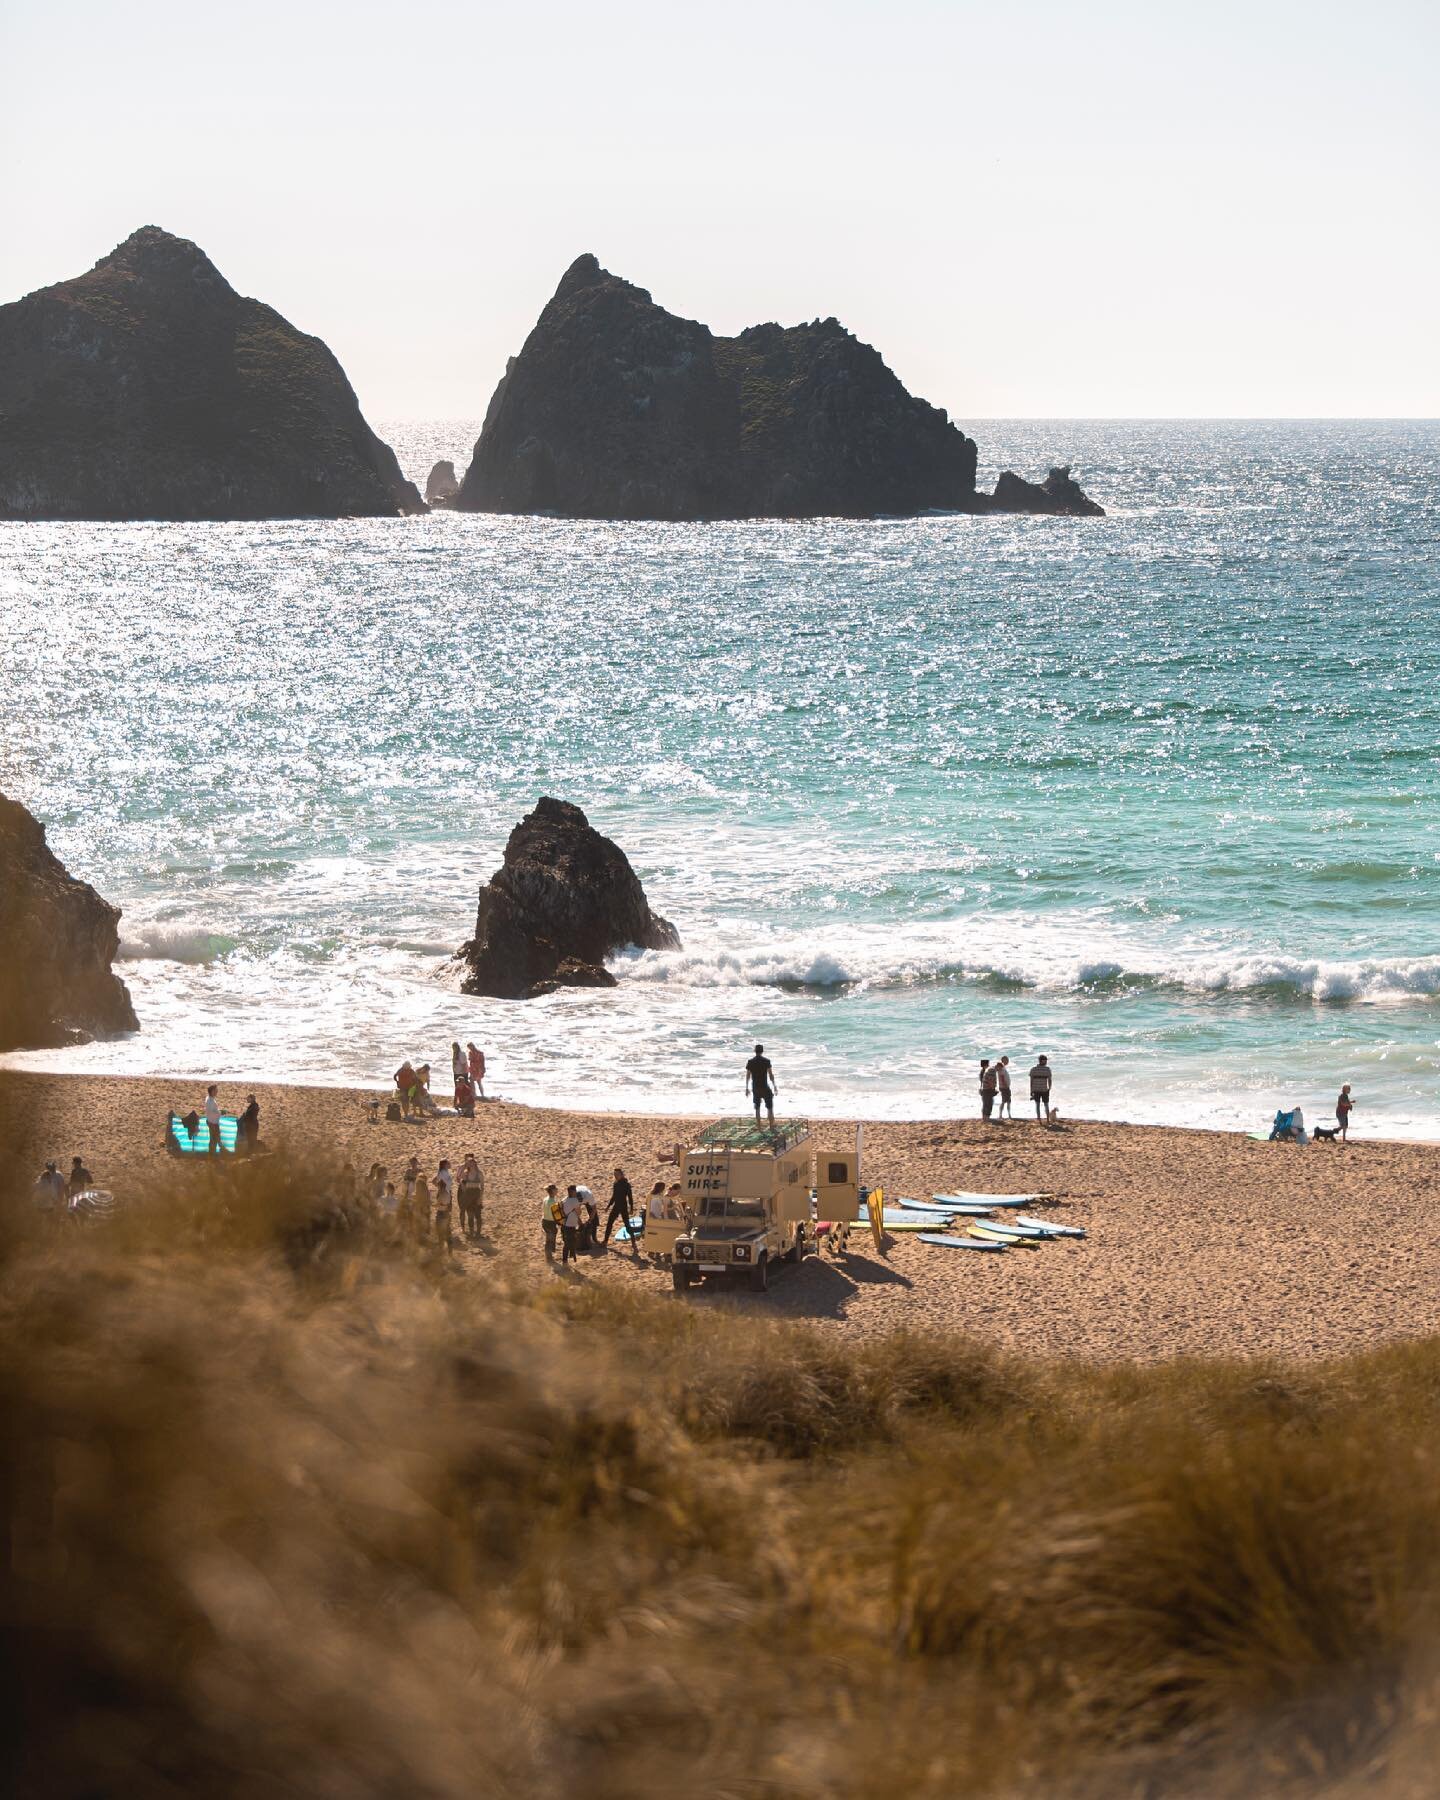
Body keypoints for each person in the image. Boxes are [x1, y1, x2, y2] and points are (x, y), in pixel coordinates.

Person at [745, 1043, 777, 1123]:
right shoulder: (766, 1061)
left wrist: (746, 1088)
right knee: (770, 1108)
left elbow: (748, 1076)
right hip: (765, 1087)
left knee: (757, 1108)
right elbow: (770, 1075)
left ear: (754, 1051)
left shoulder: (750, 1062)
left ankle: (759, 1128)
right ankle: (771, 1126)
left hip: (755, 1088)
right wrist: (774, 1086)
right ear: (762, 1051)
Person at [603, 1167, 635, 1246]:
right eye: (614, 1174)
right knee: (609, 1223)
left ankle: (633, 1241)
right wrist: (608, 1206)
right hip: (616, 1206)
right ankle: (605, 1240)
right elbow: (614, 1196)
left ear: (621, 1175)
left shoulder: (626, 1184)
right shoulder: (616, 1184)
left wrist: (631, 1208)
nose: (615, 1176)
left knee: (627, 1225)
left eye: (617, 1174)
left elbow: (630, 1197)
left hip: (623, 1206)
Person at [458, 1154, 484, 1236]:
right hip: (468, 1195)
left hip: (476, 1194)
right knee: (470, 1214)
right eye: (469, 1163)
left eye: (472, 1163)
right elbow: (461, 1181)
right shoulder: (466, 1173)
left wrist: (480, 1198)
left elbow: (482, 1186)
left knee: (478, 1214)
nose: (470, 1165)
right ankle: (471, 1231)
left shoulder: (479, 1173)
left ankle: (478, 1232)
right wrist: (463, 1187)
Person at [560, 1185, 585, 1265]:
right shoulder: (574, 1201)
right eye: (575, 1191)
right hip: (570, 1225)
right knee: (569, 1243)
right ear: (573, 1192)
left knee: (568, 1242)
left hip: (564, 1224)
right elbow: (579, 1212)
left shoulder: (564, 1199)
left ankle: (569, 1257)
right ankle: (565, 1261)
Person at [542, 1184, 562, 1259]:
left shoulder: (545, 1199)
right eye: (556, 1189)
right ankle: (549, 1256)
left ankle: (548, 1255)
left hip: (545, 1220)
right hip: (551, 1222)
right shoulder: (553, 1201)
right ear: (553, 1191)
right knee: (551, 1239)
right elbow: (557, 1215)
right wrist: (560, 1223)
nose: (557, 1190)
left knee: (548, 1238)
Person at [1029, 1055, 1052, 1121]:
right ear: (1042, 1061)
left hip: (1036, 1089)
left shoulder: (1033, 1069)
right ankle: (1047, 1119)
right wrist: (1049, 1088)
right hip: (1044, 1089)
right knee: (1046, 1104)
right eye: (1045, 1060)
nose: (1046, 1062)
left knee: (1037, 1105)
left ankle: (1039, 1119)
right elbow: (1049, 1080)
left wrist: (1031, 1090)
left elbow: (1031, 1081)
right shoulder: (1047, 1069)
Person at [204, 1083, 222, 1153]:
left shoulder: (210, 1099)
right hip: (212, 1122)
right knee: (214, 1139)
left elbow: (212, 1111)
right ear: (212, 1091)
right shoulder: (210, 1101)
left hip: (212, 1121)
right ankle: (211, 1154)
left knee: (214, 1139)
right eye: (215, 1090)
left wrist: (219, 1111)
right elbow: (211, 1113)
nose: (217, 1091)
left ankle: (212, 1154)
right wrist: (220, 1113)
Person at [996, 1055, 1013, 1120]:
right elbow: (1002, 1077)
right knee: (1005, 1101)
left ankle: (1008, 1115)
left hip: (1004, 1087)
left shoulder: (1002, 1067)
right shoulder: (1002, 1068)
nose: (1008, 1061)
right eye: (1007, 1060)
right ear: (1003, 1060)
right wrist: (1005, 1085)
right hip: (1004, 1087)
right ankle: (1002, 1115)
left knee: (1007, 1101)